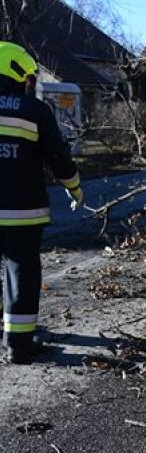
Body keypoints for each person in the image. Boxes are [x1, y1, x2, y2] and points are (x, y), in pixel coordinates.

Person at [0, 41, 83, 364]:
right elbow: (58, 157)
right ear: (19, 74)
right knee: (21, 271)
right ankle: (19, 346)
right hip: (22, 212)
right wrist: (74, 188)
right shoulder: (34, 111)